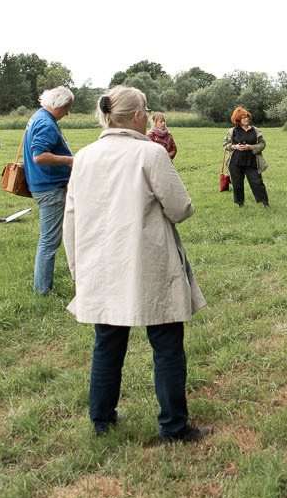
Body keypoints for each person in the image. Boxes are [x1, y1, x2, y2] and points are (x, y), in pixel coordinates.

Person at [63, 86, 208, 442]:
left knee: (107, 344)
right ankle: (174, 426)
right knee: (167, 345)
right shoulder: (151, 153)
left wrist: (76, 268)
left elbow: (71, 217)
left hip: (100, 264)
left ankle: (101, 420)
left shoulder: (84, 157)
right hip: (149, 263)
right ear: (139, 115)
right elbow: (180, 208)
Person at [23, 86, 75, 294]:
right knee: (49, 240)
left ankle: (43, 286)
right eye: (67, 108)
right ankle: (42, 289)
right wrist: (72, 160)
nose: (68, 113)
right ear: (59, 105)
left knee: (50, 238)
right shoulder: (46, 123)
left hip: (43, 184)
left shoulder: (38, 116)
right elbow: (39, 156)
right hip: (49, 187)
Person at [223, 106, 269, 208]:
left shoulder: (255, 130)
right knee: (237, 184)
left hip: (252, 161)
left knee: (257, 182)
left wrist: (250, 147)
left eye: (247, 117)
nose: (246, 119)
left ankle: (265, 203)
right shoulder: (232, 131)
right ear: (238, 120)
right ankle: (240, 204)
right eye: (243, 117)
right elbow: (225, 145)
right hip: (235, 162)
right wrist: (235, 146)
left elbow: (262, 144)